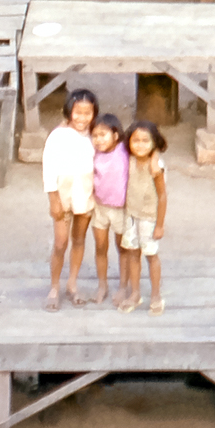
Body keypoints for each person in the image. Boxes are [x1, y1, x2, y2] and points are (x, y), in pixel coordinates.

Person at [41, 89, 97, 311]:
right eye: (78, 112)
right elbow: (49, 169)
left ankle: (72, 284)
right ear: (69, 111)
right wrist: (53, 199)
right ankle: (54, 287)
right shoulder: (58, 135)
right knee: (60, 243)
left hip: (86, 194)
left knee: (79, 240)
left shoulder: (95, 134)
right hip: (63, 195)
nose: (82, 118)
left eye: (87, 113)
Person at [119, 121, 168, 315]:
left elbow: (163, 195)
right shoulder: (128, 159)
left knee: (151, 255)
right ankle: (135, 293)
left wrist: (160, 225)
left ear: (154, 143)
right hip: (131, 215)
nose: (140, 145)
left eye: (145, 141)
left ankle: (156, 295)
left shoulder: (156, 166)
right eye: (135, 140)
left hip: (149, 217)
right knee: (132, 253)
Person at [90, 113, 130, 306]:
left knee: (123, 249)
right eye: (95, 135)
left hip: (121, 209)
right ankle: (102, 285)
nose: (98, 140)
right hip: (99, 207)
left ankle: (123, 286)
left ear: (116, 135)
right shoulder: (94, 153)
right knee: (100, 247)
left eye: (103, 135)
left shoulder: (124, 151)